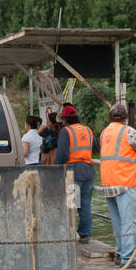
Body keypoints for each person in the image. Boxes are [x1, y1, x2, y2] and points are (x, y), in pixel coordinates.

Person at [99, 102, 136, 268]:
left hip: (109, 183)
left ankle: (120, 253)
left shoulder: (104, 133)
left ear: (110, 117)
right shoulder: (128, 131)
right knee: (130, 223)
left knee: (118, 223)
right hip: (125, 183)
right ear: (125, 118)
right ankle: (128, 259)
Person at [54, 103, 97, 242]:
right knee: (85, 205)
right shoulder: (88, 130)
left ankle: (68, 234)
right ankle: (85, 234)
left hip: (73, 172)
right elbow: (97, 147)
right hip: (88, 172)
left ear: (64, 120)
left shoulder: (65, 132)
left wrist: (55, 172)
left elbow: (62, 155)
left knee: (70, 205)